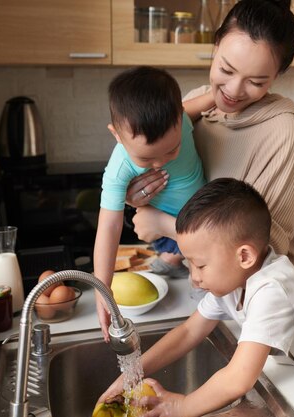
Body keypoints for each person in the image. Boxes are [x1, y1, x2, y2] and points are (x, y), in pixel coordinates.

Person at [97, 178, 294, 417]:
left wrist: (182, 406)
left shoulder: (271, 289)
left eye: (200, 264)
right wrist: (132, 375)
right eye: (189, 263)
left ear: (245, 256)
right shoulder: (231, 281)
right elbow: (189, 331)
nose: (194, 276)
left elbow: (239, 378)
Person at [123, 0, 294, 281]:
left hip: (271, 302)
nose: (233, 91)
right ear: (216, 46)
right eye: (226, 70)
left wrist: (165, 225)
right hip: (211, 292)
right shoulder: (195, 104)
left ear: (277, 75)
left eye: (257, 82)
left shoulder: (282, 129)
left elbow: (265, 248)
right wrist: (137, 197)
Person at [95, 66, 214, 340]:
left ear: (179, 118)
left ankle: (173, 259)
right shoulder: (118, 169)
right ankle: (176, 257)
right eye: (146, 159)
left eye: (172, 149)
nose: (161, 162)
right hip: (165, 230)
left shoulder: (182, 117)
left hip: (203, 214)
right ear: (116, 134)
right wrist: (103, 287)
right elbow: (109, 226)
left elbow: (209, 100)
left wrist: (219, 97)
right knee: (202, 287)